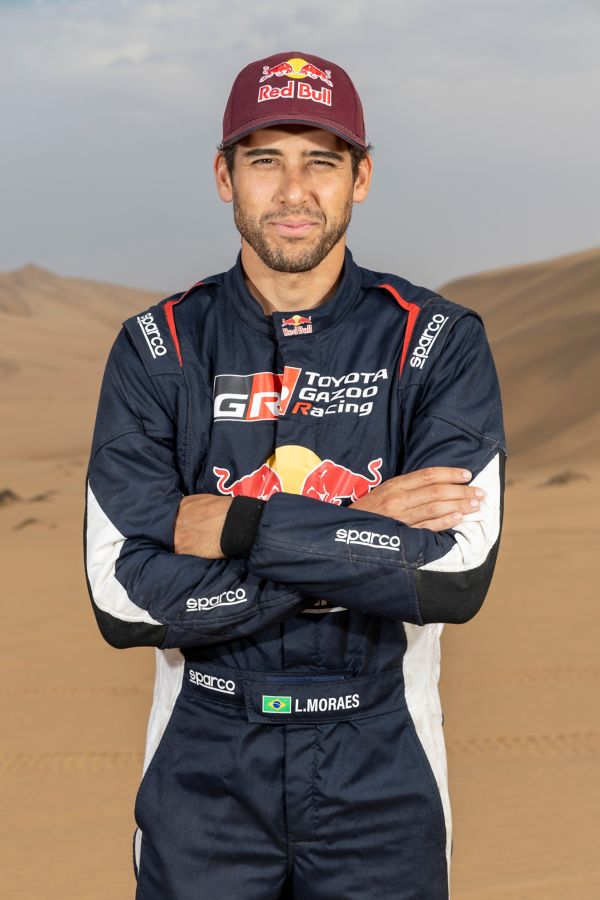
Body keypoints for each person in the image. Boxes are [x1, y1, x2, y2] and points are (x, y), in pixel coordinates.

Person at [84, 50, 506, 900]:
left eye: (321, 160)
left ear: (361, 178)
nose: (293, 189)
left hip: (382, 761)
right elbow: (122, 599)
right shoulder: (154, 347)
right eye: (265, 160)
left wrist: (238, 530)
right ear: (223, 175)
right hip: (202, 758)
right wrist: (358, 538)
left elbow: (455, 575)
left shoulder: (439, 341)